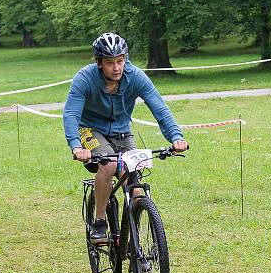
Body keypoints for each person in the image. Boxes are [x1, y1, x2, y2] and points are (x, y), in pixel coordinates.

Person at [63, 32, 189, 244]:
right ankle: (100, 222)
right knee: (110, 164)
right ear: (99, 63)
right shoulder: (84, 78)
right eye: (110, 63)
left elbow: (159, 107)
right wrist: (76, 146)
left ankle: (134, 243)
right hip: (91, 130)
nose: (116, 68)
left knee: (135, 181)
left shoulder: (136, 76)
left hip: (122, 132)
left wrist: (176, 137)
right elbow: (71, 114)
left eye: (120, 61)